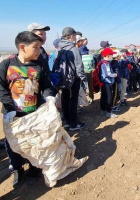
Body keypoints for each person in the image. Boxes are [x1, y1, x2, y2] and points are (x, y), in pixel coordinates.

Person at [0, 31, 55, 188]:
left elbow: (46, 86)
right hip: (13, 116)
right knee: (13, 144)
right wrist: (9, 107)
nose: (39, 51)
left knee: (34, 142)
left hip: (34, 115)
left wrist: (49, 95)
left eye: (40, 47)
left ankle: (34, 168)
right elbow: (1, 88)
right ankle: (17, 168)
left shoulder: (39, 67)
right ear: (22, 47)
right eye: (35, 47)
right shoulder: (7, 65)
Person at [58, 27, 87, 130]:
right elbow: (79, 67)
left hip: (63, 79)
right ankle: (74, 124)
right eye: (74, 36)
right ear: (71, 36)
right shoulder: (74, 49)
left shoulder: (60, 48)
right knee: (73, 101)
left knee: (65, 99)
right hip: (73, 79)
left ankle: (66, 121)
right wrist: (83, 79)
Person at [100, 48, 118, 118]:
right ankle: (109, 112)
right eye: (111, 55)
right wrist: (115, 75)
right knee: (109, 97)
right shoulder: (106, 64)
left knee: (103, 96)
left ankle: (103, 110)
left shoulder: (102, 62)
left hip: (103, 82)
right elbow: (108, 74)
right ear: (107, 55)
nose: (112, 57)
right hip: (107, 82)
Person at [81, 38, 95, 104]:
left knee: (83, 86)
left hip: (82, 72)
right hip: (89, 72)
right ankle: (91, 98)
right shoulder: (91, 57)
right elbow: (93, 64)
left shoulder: (80, 57)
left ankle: (83, 99)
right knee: (90, 86)